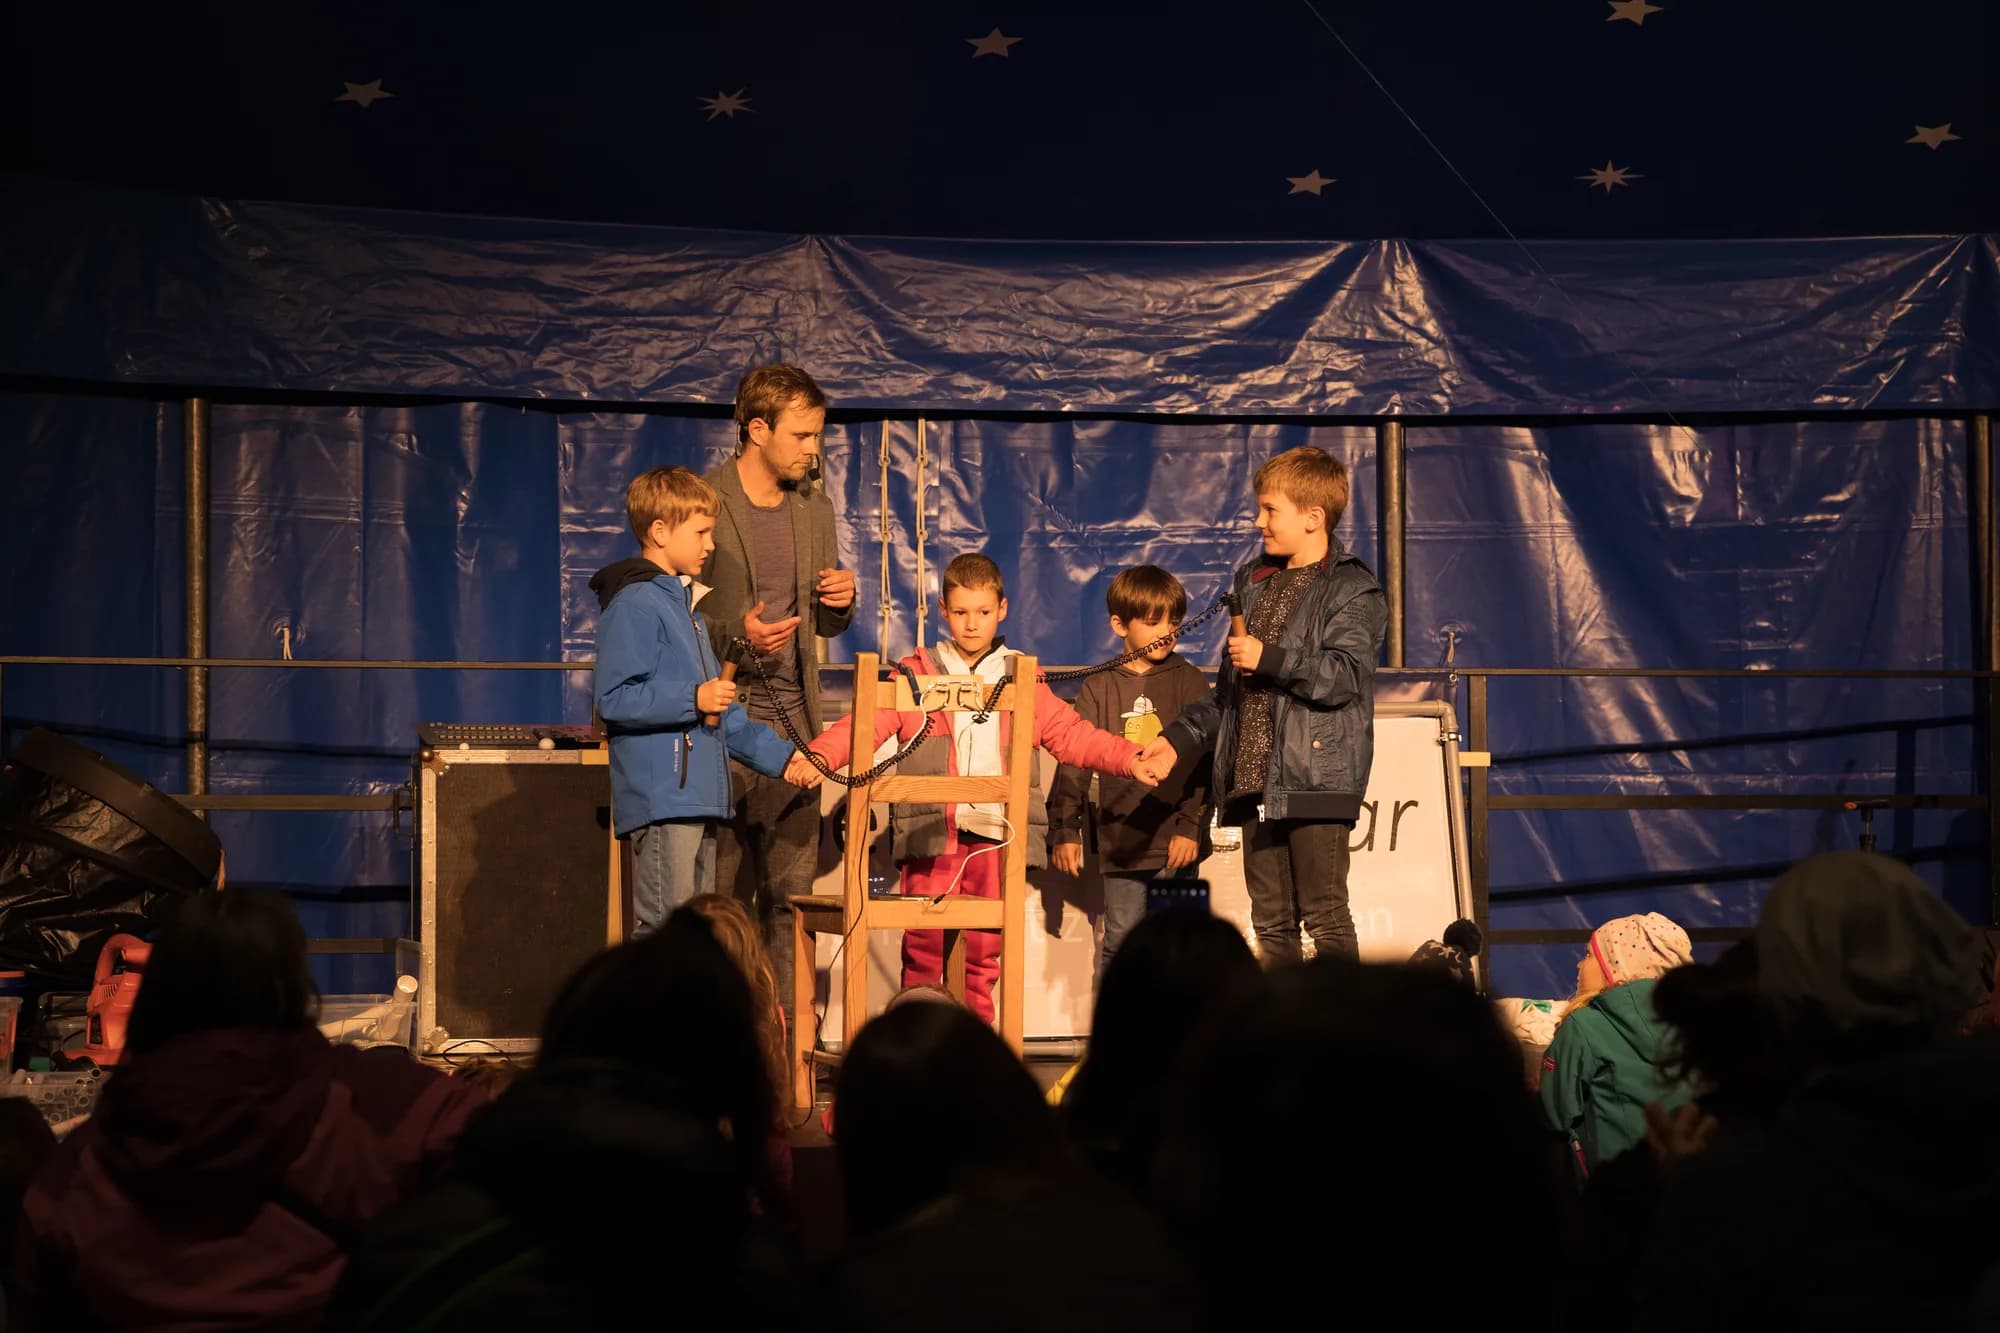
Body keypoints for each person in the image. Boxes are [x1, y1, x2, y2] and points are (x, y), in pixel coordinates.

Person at [16, 888, 486, 1331]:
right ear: (294, 985)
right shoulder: (385, 1103)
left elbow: (39, 1296)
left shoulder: (80, 1168)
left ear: (158, 992)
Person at [802, 553, 1165, 1023]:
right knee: (925, 952)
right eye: (961, 612)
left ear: (1003, 609)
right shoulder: (917, 671)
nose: (972, 624)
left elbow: (1071, 735)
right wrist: (821, 755)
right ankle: (918, 1049)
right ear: (942, 610)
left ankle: (972, 1059)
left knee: (981, 956)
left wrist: (1129, 757)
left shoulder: (1022, 675)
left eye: (983, 612)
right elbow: (868, 723)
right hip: (933, 833)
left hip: (996, 837)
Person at [1137, 445, 1386, 963]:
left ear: (1313, 517)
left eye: (1271, 510)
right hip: (1255, 782)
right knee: (1270, 924)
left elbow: (1345, 676)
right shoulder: (1254, 581)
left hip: (1315, 779)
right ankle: (1283, 1037)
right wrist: (1173, 739)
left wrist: (1270, 657)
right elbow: (1231, 694)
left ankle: (1351, 1036)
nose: (1258, 521)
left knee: (1326, 916)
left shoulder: (1351, 589)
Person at [591, 465, 812, 938]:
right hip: (663, 798)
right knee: (664, 929)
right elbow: (614, 698)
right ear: (659, 532)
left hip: (697, 799)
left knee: (692, 934)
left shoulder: (687, 612)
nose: (711, 544)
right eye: (702, 532)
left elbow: (722, 714)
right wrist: (692, 697)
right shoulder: (634, 604)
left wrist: (786, 758)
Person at [701, 365, 856, 1015]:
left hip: (797, 734)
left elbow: (820, 621)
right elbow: (674, 616)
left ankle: (786, 1070)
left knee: (791, 912)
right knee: (721, 915)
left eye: (816, 434)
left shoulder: (812, 508)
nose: (812, 448)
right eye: (801, 435)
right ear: (757, 430)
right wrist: (739, 633)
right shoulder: (703, 501)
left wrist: (842, 603)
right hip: (726, 736)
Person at [1047, 565, 1213, 990]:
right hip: (1122, 841)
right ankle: (1119, 1041)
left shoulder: (1189, 680)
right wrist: (1065, 829)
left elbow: (1203, 761)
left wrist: (1189, 827)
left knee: (1175, 949)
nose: (1168, 631)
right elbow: (1075, 759)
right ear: (1119, 624)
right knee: (1121, 941)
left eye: (1174, 621)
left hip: (1173, 842)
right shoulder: (1099, 687)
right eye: (1153, 621)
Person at [1538, 911, 1695, 1182]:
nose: (1579, 965)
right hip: (1688, 1196)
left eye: (1589, 955)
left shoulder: (1585, 1026)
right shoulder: (1701, 1028)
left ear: (1617, 964)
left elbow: (1553, 1117)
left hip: (1612, 1198)